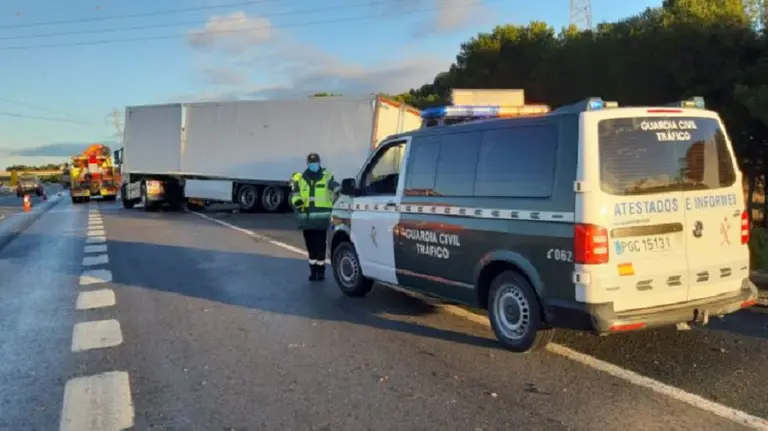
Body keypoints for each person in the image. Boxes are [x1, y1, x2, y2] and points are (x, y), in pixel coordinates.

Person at [290, 152, 339, 281]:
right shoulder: (301, 179)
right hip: (306, 219)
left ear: (319, 163)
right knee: (310, 246)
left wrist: (337, 188)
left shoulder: (326, 176)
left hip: (321, 218)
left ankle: (321, 272)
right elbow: (295, 195)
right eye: (311, 163)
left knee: (320, 245)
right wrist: (297, 202)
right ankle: (312, 272)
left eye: (315, 163)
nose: (313, 165)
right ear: (307, 164)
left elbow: (334, 187)